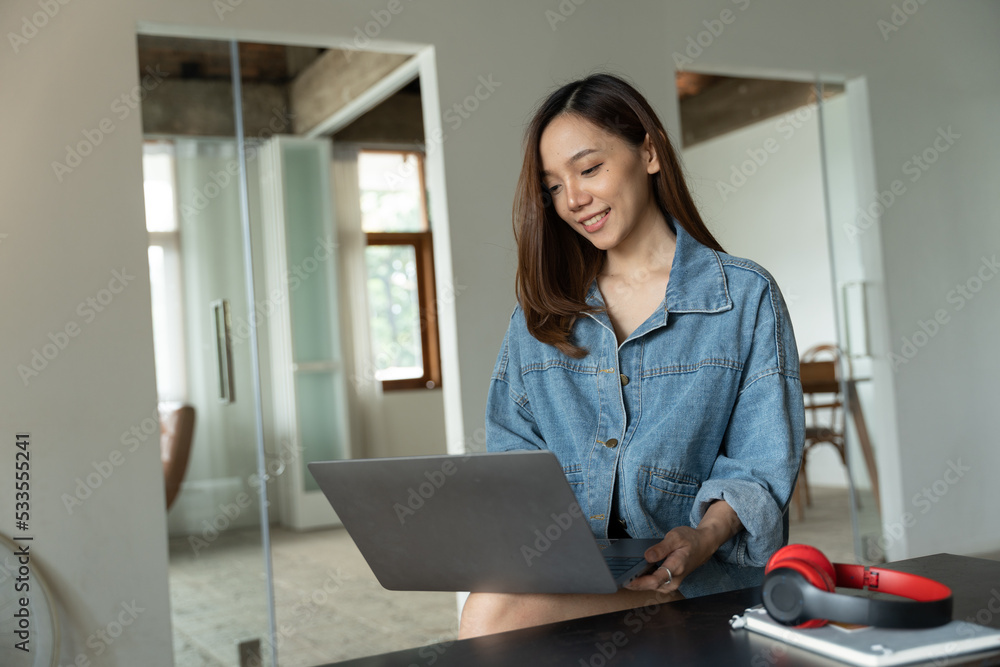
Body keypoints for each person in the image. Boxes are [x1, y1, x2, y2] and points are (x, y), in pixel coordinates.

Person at [458, 73, 805, 638]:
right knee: (496, 604)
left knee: (491, 615)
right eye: (552, 186)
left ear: (648, 151)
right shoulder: (538, 318)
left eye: (589, 169)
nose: (572, 200)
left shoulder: (744, 298)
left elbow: (761, 469)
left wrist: (703, 536)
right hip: (574, 578)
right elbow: (514, 467)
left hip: (696, 582)